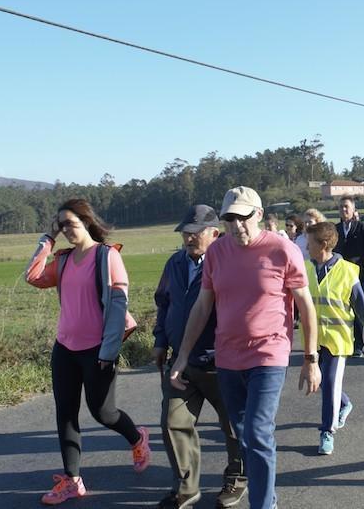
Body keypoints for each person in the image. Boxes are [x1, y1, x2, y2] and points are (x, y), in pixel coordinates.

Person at [169, 186, 321, 509]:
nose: (237, 226)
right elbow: (201, 307)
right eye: (229, 220)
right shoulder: (217, 253)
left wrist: (311, 358)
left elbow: (306, 307)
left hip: (269, 354)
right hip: (228, 358)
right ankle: (269, 497)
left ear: (260, 216)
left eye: (243, 218)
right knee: (245, 436)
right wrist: (182, 354)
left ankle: (263, 504)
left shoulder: (282, 250)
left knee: (256, 431)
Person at [25, 198, 149, 506]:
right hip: (65, 347)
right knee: (65, 413)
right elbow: (33, 277)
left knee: (102, 412)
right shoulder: (64, 260)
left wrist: (109, 351)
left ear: (86, 221)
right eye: (61, 225)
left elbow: (118, 307)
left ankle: (137, 438)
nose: (66, 230)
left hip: (98, 350)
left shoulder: (106, 257)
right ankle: (72, 480)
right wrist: (47, 238)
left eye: (69, 223)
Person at [152, 205, 246, 509]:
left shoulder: (228, 264)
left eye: (195, 233)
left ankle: (237, 478)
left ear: (214, 233)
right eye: (185, 233)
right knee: (172, 422)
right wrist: (160, 341)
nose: (188, 238)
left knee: (233, 426)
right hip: (182, 361)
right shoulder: (175, 263)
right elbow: (164, 303)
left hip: (222, 363)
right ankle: (186, 486)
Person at [305, 222, 364, 456]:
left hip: (338, 340)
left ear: (324, 245)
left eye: (310, 243)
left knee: (328, 383)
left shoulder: (348, 270)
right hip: (313, 341)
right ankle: (344, 403)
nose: (306, 247)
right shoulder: (306, 269)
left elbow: (362, 307)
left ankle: (327, 431)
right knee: (321, 383)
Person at [333, 196, 364, 358]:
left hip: (357, 276)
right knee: (340, 310)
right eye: (340, 207)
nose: (343, 210)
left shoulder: (363, 230)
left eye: (346, 207)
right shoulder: (335, 230)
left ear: (353, 210)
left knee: (358, 310)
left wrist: (362, 266)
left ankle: (358, 345)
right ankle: (342, 342)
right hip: (337, 277)